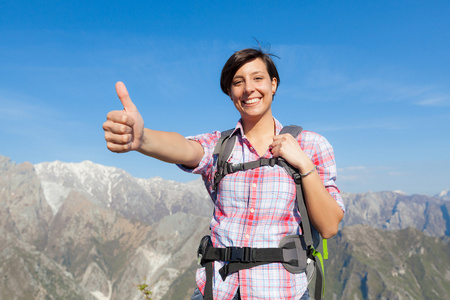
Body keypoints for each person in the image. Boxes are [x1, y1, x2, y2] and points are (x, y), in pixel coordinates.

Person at [103, 47, 345, 300]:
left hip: (282, 292)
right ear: (230, 94)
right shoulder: (220, 146)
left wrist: (304, 165)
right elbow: (185, 148)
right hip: (218, 291)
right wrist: (143, 139)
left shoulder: (311, 145)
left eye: (258, 78)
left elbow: (329, 226)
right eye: (237, 82)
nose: (248, 88)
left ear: (273, 84)